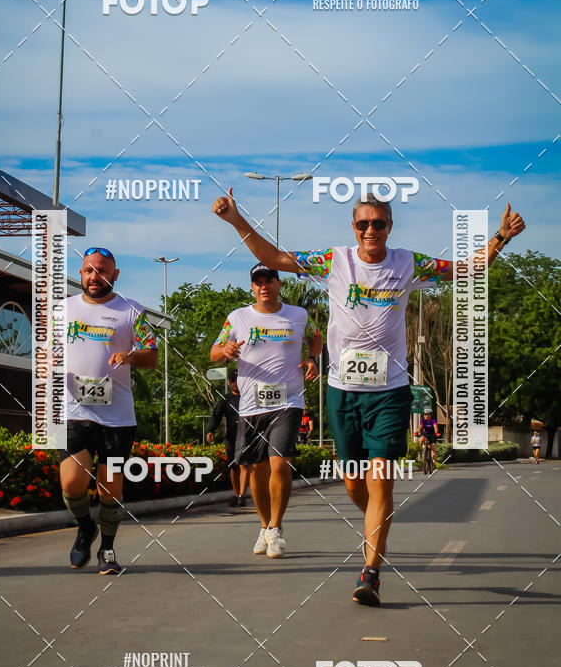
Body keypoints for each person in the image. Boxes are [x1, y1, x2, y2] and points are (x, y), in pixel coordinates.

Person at [212, 190, 525, 604]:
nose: (371, 230)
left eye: (378, 223)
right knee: (354, 483)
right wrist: (236, 219)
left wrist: (501, 237)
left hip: (389, 392)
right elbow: (272, 257)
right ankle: (377, 522)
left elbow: (467, 269)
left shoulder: (409, 263)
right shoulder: (333, 261)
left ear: (389, 226)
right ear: (354, 228)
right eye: (363, 223)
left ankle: (370, 572)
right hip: (343, 392)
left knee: (380, 479)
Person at [210, 263, 322, 557]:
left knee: (279, 463)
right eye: (258, 282)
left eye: (269, 280)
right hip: (251, 405)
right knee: (256, 469)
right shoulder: (237, 317)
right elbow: (214, 351)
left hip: (288, 401)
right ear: (252, 287)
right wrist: (225, 351)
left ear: (278, 284)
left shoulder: (298, 315)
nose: (264, 286)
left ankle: (276, 527)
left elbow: (316, 337)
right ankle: (263, 525)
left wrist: (312, 358)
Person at [59, 247, 158, 574]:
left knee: (110, 487)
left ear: (114, 275)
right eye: (89, 270)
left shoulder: (131, 310)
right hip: (74, 412)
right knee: (71, 483)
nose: (95, 276)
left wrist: (131, 356)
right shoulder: (63, 309)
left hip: (117, 419)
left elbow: (152, 355)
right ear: (81, 273)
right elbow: (48, 351)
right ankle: (85, 527)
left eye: (102, 271)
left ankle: (108, 548)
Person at [206, 369, 249, 506]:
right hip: (231, 437)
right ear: (230, 383)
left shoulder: (249, 397)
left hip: (246, 436)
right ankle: (236, 494)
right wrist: (211, 430)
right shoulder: (226, 399)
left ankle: (242, 495)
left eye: (238, 380)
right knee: (233, 466)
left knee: (243, 464)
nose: (236, 383)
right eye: (233, 381)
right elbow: (216, 415)